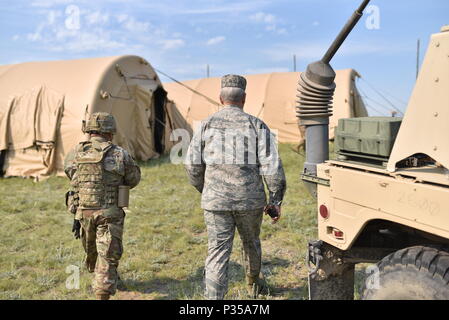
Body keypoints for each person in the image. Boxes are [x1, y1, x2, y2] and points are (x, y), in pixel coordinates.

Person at [184, 74, 287, 299]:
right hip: (250, 200)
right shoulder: (256, 124)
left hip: (216, 202)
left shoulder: (206, 125)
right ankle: (254, 285)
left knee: (217, 251)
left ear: (220, 98)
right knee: (251, 243)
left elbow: (192, 165)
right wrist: (275, 201)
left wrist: (207, 189)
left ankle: (213, 299)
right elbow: (272, 167)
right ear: (244, 98)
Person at [64, 112, 141, 300]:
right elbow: (133, 178)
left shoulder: (75, 152)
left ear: (89, 130)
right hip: (109, 213)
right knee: (107, 254)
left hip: (83, 213)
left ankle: (106, 278)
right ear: (110, 131)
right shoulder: (119, 153)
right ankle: (102, 292)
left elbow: (70, 173)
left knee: (94, 251)